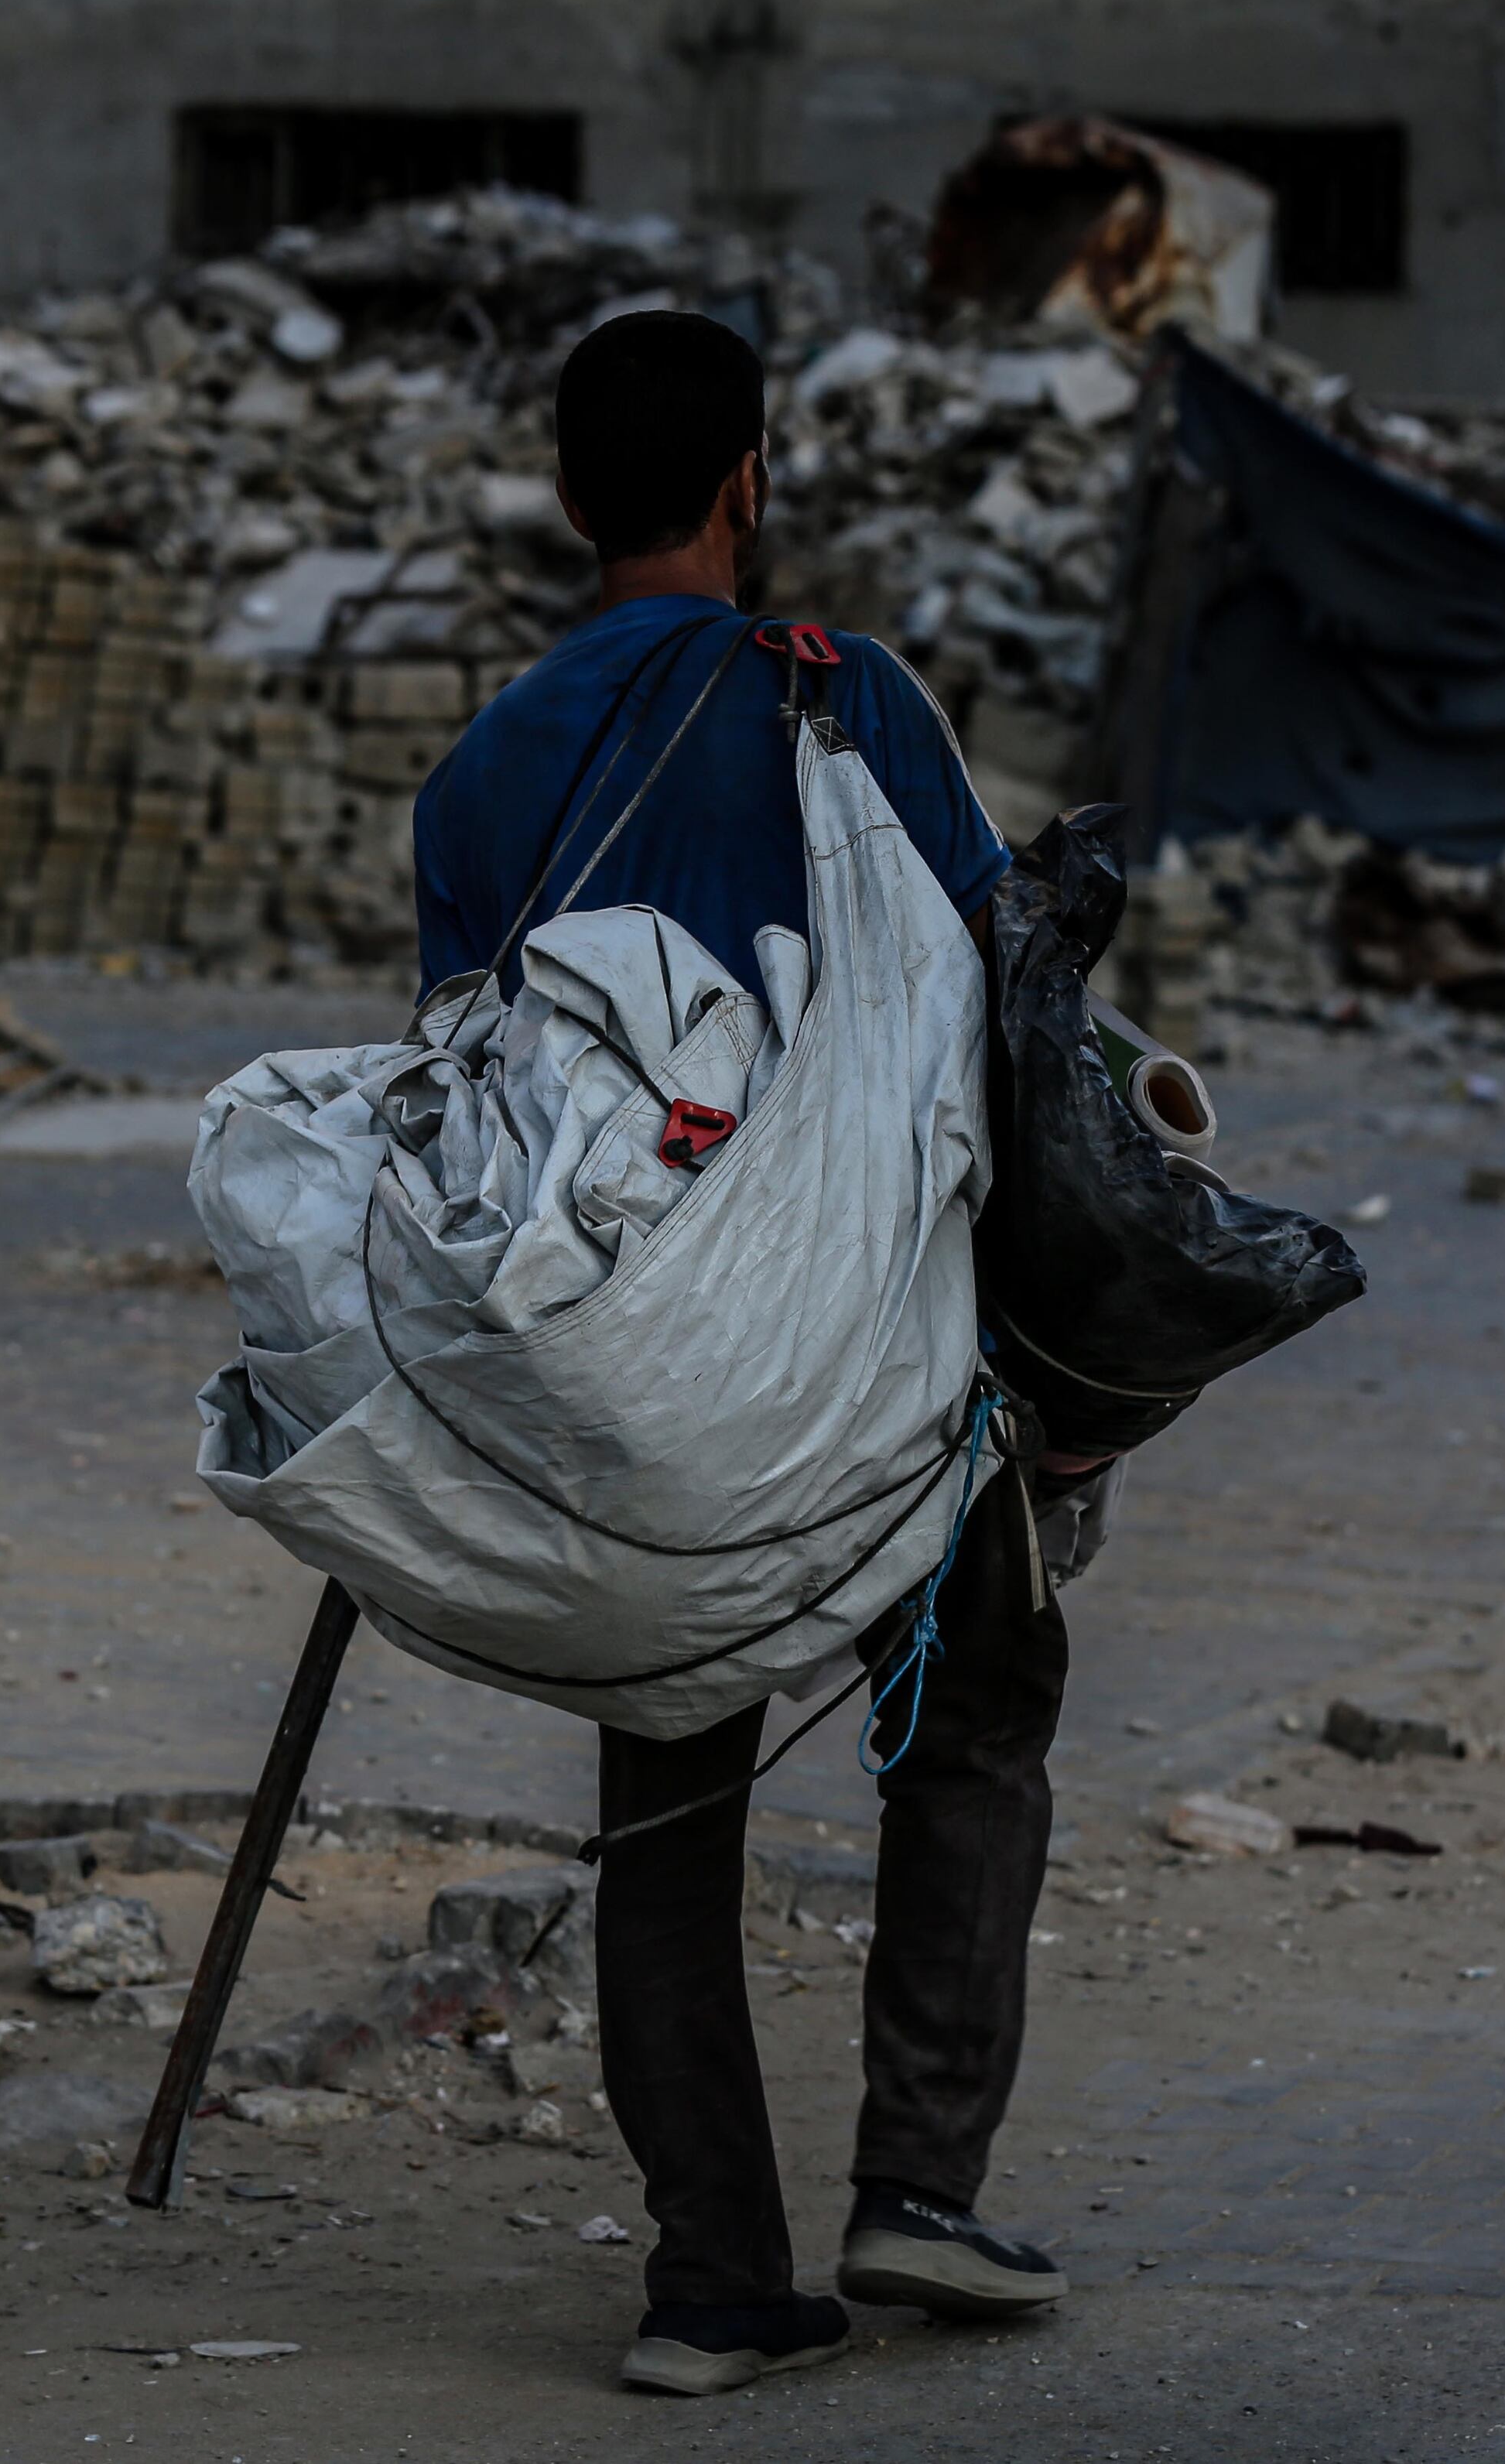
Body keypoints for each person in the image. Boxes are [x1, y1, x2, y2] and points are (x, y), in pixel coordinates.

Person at [412, 310, 1081, 2398]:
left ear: (562, 499)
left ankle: (714, 2277)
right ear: (750, 487)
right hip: (886, 1362)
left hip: (636, 1388)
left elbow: (477, 1104)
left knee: (663, 1804)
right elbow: (1003, 1013)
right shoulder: (847, 697)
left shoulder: (484, 774)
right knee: (970, 1723)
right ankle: (919, 2183)